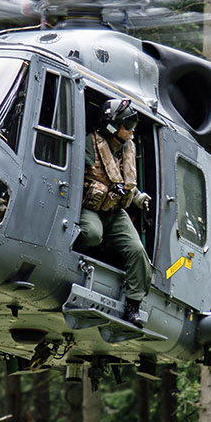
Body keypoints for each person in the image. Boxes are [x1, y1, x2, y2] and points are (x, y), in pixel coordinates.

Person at [80, 98, 152, 325]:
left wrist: (137, 197)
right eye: (127, 125)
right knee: (92, 234)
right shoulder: (89, 144)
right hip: (91, 207)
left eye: (133, 125)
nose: (132, 131)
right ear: (112, 126)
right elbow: (74, 173)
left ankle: (133, 306)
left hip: (115, 212)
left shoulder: (127, 148)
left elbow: (124, 179)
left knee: (138, 252)